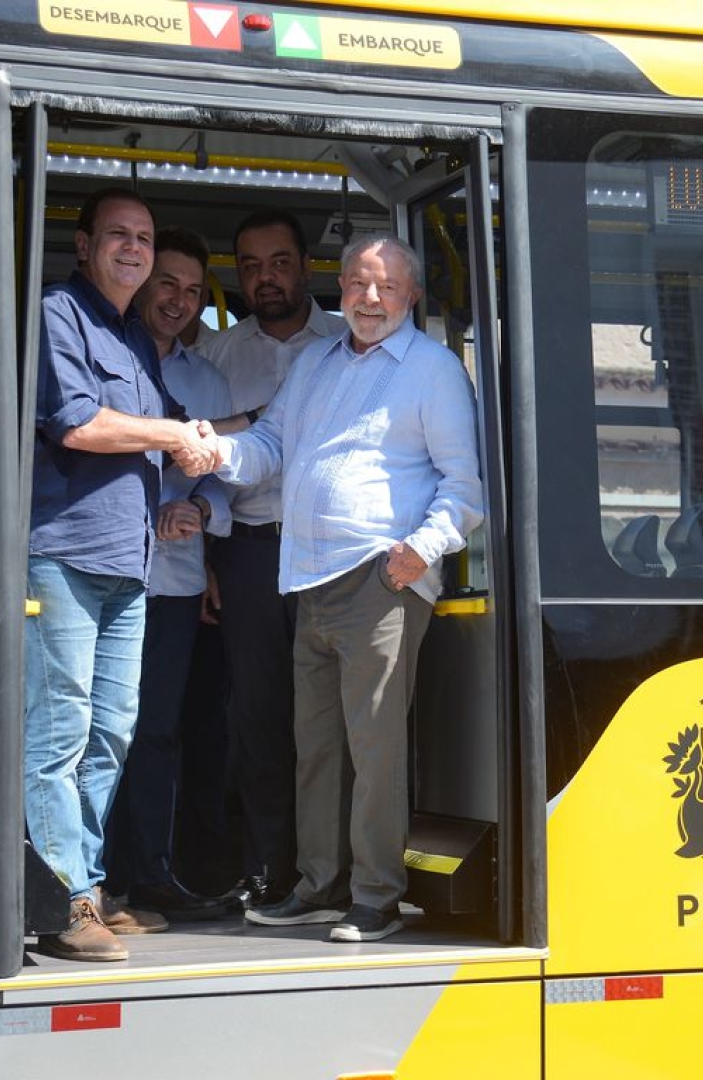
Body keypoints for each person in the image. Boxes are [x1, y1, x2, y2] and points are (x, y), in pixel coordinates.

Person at [179, 234, 483, 943]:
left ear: (409, 295)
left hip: (381, 576)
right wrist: (215, 450)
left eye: (384, 286)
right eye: (356, 283)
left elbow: (465, 485)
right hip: (309, 577)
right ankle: (321, 886)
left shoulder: (433, 369)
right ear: (339, 288)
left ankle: (376, 896)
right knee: (316, 746)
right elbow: (273, 447)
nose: (368, 298)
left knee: (374, 750)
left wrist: (420, 551)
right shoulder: (315, 360)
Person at [26, 188, 221, 962]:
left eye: (143, 238)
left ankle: (91, 887)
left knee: (111, 733)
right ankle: (62, 897)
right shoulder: (57, 315)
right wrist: (176, 435)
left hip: (127, 566)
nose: (135, 250)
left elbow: (172, 431)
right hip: (63, 556)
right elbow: (77, 422)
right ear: (84, 245)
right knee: (60, 734)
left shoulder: (135, 339)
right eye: (120, 236)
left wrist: (227, 440)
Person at [195, 209, 344, 907]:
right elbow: (197, 472)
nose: (266, 278)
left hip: (333, 558)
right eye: (250, 267)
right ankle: (267, 870)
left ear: (306, 267)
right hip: (249, 558)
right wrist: (204, 564)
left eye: (279, 262)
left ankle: (332, 871)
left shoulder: (350, 343)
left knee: (333, 720)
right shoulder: (218, 358)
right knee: (256, 719)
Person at [104, 226, 251, 921]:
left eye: (193, 292)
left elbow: (222, 481)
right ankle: (92, 881)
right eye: (168, 284)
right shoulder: (102, 356)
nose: (179, 301)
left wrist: (195, 504)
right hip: (100, 570)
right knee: (99, 730)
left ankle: (151, 877)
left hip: (174, 584)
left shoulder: (207, 379)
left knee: (158, 728)